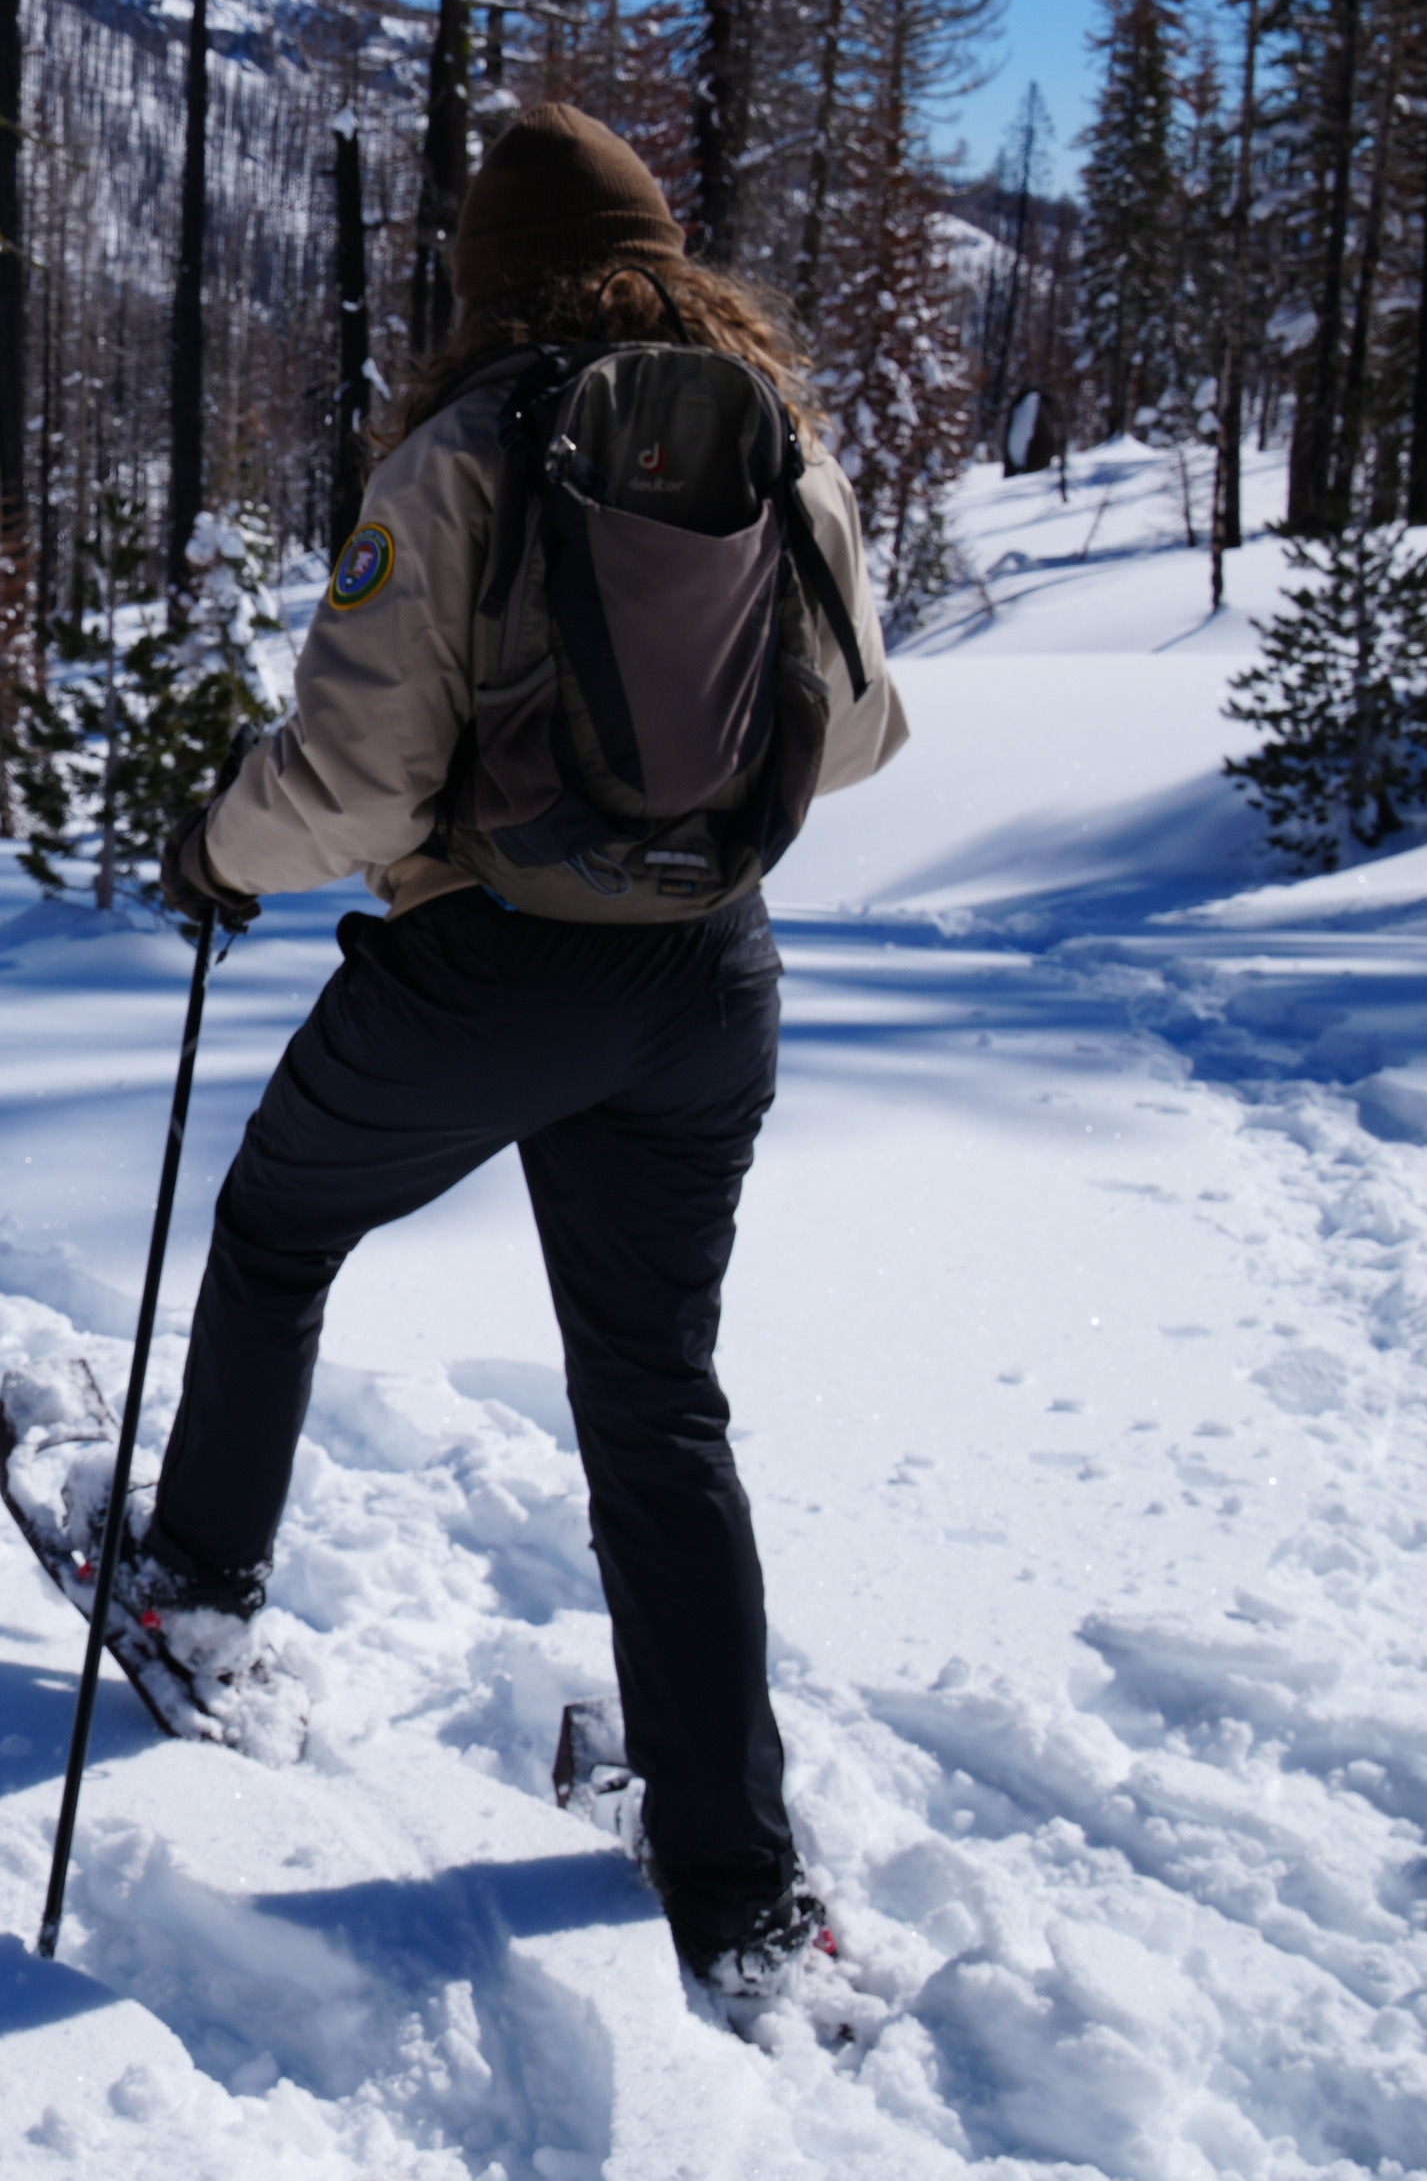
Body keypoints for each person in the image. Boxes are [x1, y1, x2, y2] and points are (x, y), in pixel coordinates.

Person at [139, 102, 909, 1999]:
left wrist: (214, 851)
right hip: (710, 986)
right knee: (659, 1405)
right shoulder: (775, 445)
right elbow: (873, 730)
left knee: (278, 1228)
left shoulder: (465, 447)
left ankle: (199, 1591)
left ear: (483, 280)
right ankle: (737, 1884)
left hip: (485, 969)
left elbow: (357, 779)